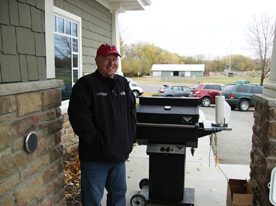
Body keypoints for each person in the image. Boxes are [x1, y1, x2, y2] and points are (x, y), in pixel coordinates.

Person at [68, 44, 137, 206]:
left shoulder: (123, 83)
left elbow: (131, 113)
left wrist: (130, 138)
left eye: (114, 59)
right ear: (97, 61)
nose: (111, 63)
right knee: (92, 200)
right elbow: (79, 118)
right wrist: (99, 142)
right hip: (95, 158)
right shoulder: (86, 85)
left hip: (118, 157)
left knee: (119, 196)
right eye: (106, 59)